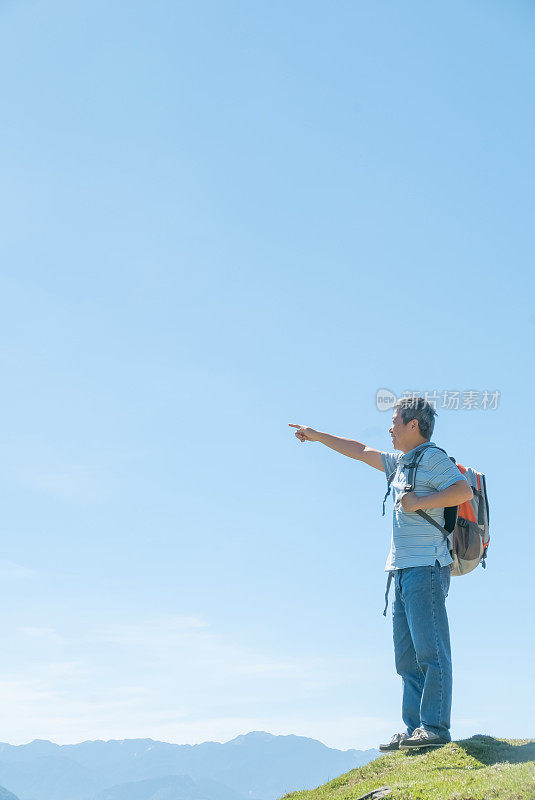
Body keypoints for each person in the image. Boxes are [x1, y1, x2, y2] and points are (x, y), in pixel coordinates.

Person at [288, 397, 473, 751]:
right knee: (406, 658)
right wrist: (315, 436)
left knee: (431, 652)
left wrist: (418, 503)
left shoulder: (432, 458)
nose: (389, 428)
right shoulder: (401, 463)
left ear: (413, 425)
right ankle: (416, 729)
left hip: (426, 568)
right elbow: (359, 450)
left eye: (394, 422)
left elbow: (462, 489)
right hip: (401, 571)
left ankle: (435, 728)